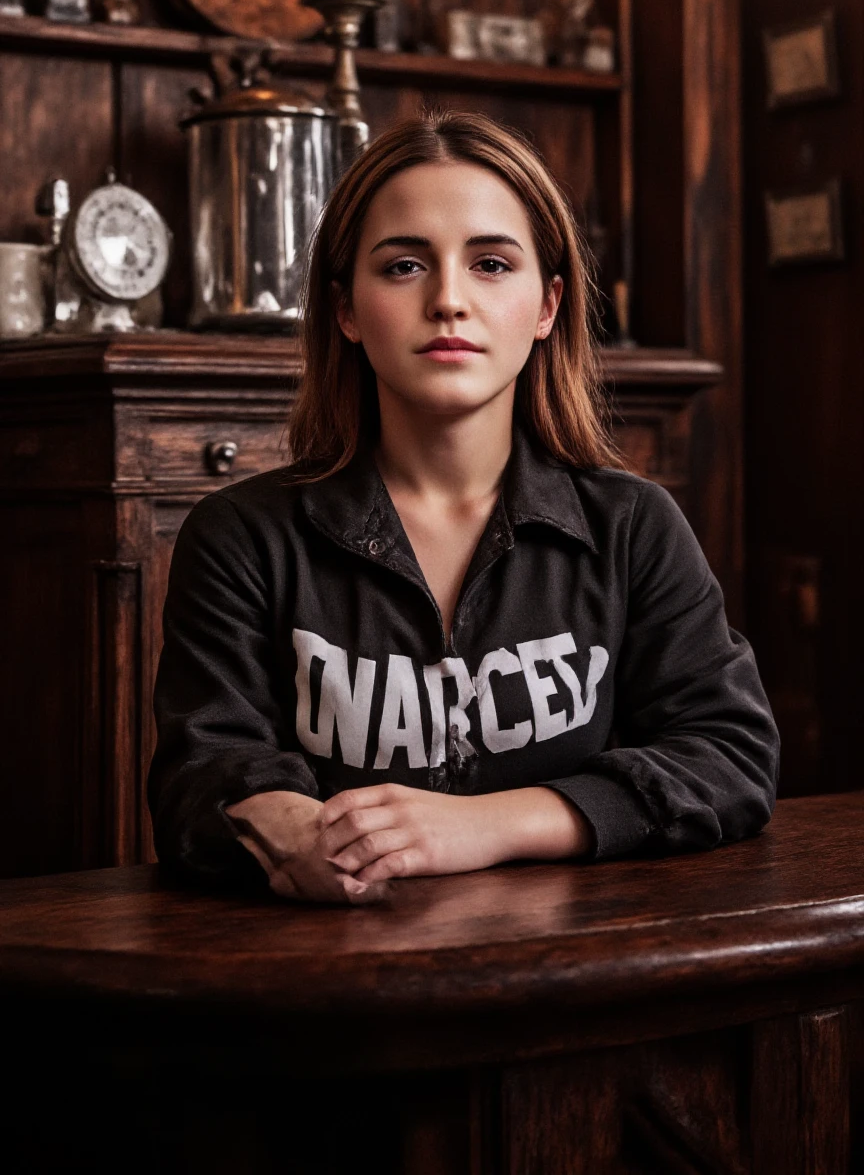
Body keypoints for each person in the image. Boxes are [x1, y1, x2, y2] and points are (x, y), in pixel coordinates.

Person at [148, 109, 779, 905]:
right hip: (327, 981)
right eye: (404, 266)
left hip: (577, 974)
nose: (449, 299)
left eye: (490, 264)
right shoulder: (242, 538)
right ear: (345, 309)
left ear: (547, 306)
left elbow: (730, 755)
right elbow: (200, 773)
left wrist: (487, 825)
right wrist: (286, 828)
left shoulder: (632, 527)